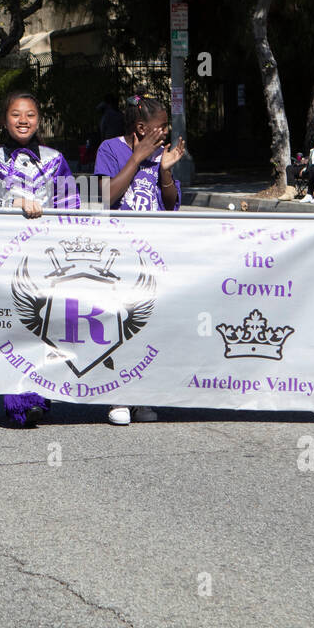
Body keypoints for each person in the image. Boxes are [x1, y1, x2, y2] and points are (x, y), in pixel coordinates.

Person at [0, 91, 81, 427]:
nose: (23, 121)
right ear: (4, 120)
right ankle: (19, 398)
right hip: (4, 257)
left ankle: (38, 392)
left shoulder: (55, 158)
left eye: (30, 114)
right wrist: (13, 206)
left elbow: (71, 205)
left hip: (45, 258)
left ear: (39, 119)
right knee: (12, 326)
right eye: (16, 114)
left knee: (41, 324)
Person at [94, 93, 185, 423]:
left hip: (153, 254)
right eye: (161, 127)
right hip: (119, 255)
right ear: (142, 127)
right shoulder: (109, 149)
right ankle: (117, 395)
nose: (166, 132)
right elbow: (104, 198)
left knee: (148, 324)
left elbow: (172, 204)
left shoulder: (161, 152)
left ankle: (144, 392)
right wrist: (137, 158)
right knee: (121, 324)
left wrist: (165, 171)